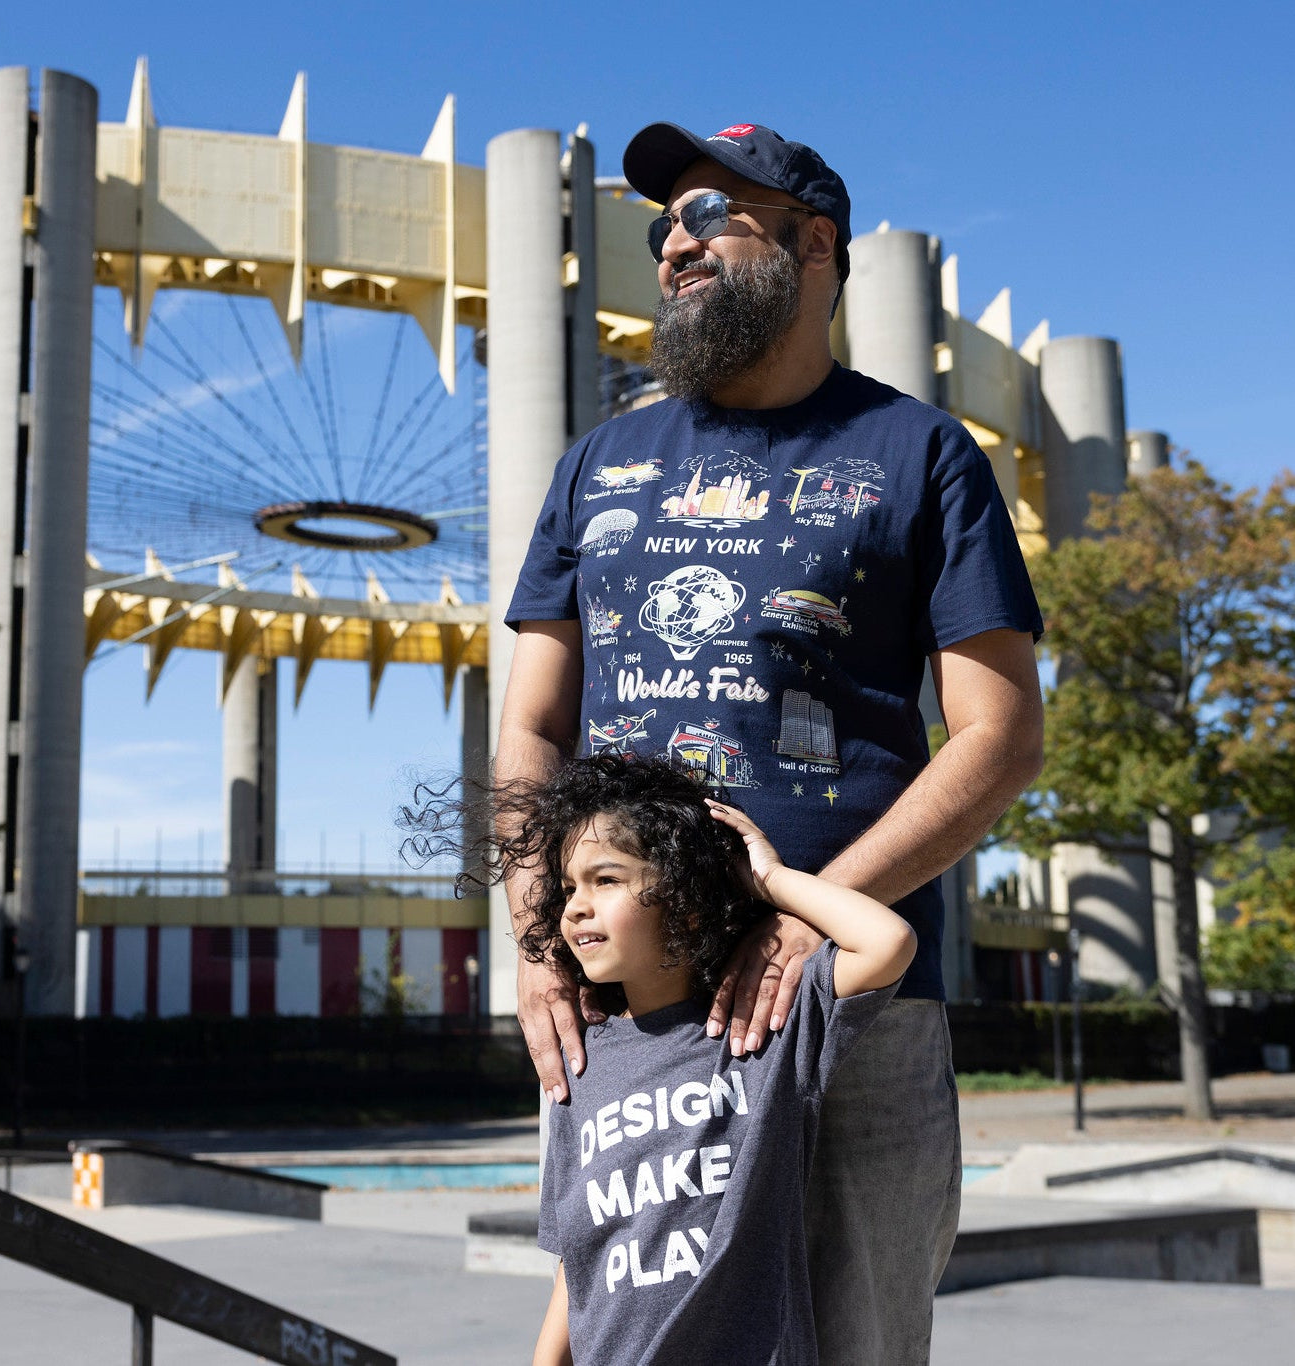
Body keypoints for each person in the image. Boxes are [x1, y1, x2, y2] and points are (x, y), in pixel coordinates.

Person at [498, 120, 1044, 1363]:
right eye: (659, 229)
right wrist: (539, 944)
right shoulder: (596, 464)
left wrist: (812, 915)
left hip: (855, 1013)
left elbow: (1000, 736)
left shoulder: (923, 454)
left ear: (812, 245)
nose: (672, 247)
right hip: (630, 1017)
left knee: (855, 1345)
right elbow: (533, 723)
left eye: (706, 216)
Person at [475, 755, 912, 1366]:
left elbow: (888, 941)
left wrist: (767, 881)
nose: (575, 906)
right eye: (569, 886)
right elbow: (579, 1254)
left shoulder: (764, 1027)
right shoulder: (581, 1059)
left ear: (685, 904)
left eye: (605, 880)